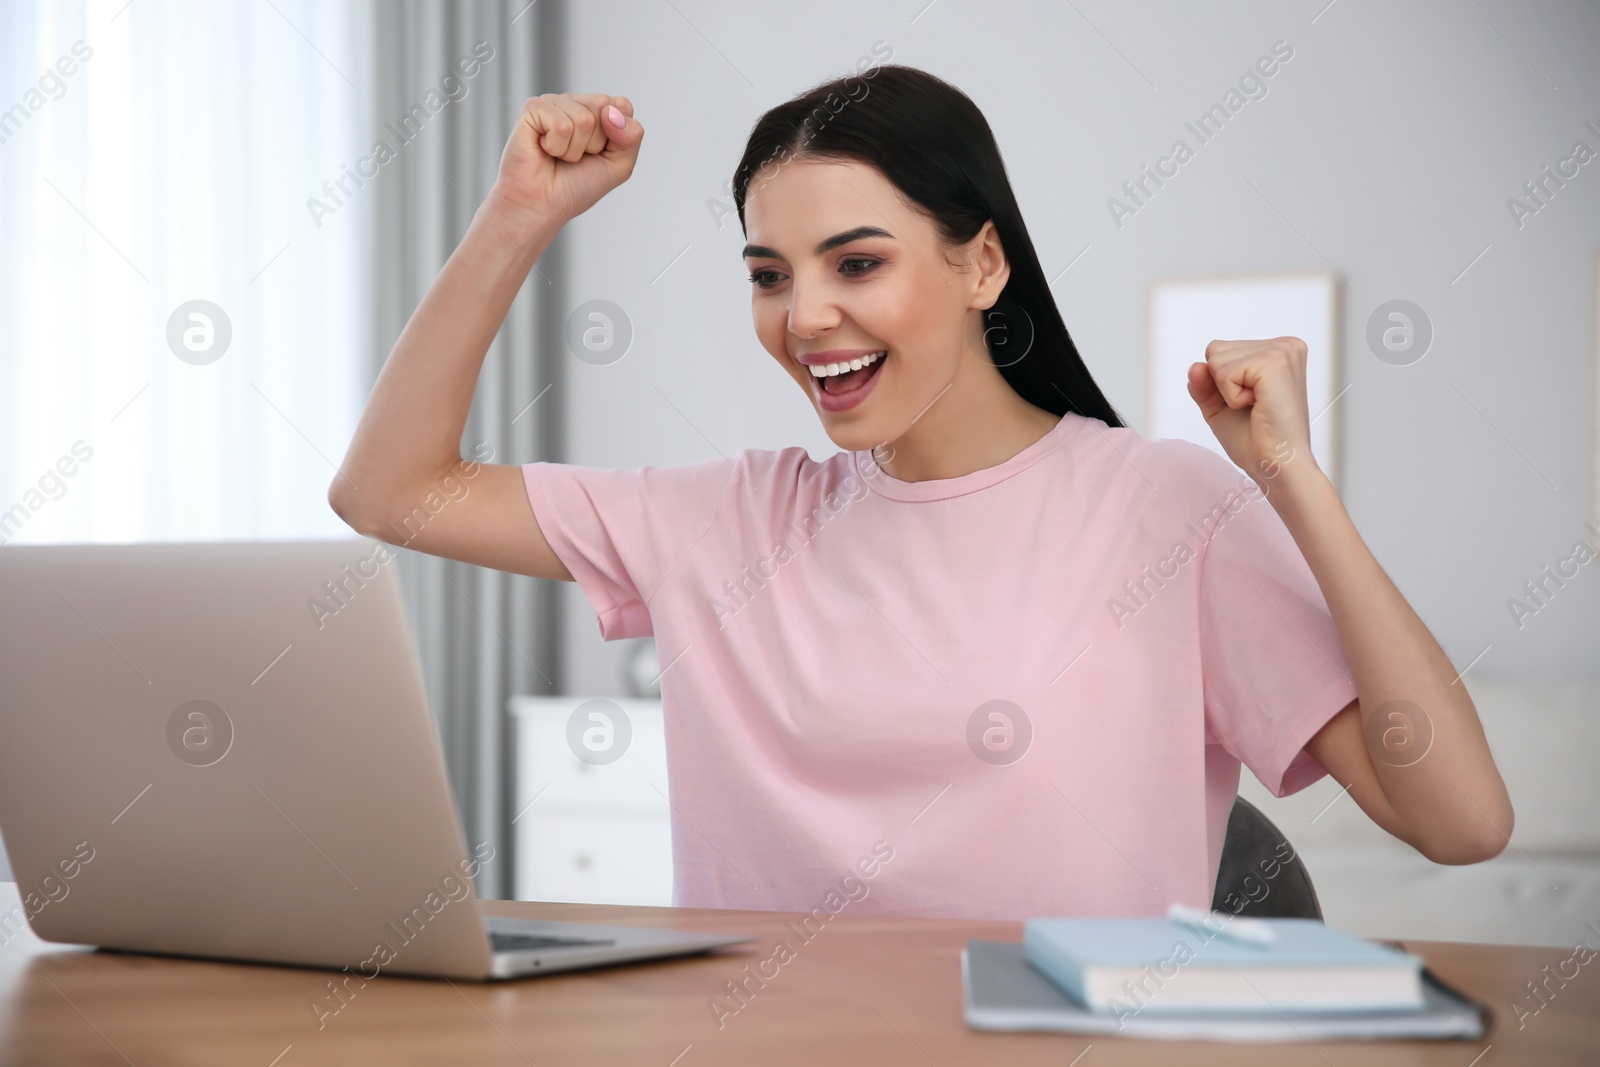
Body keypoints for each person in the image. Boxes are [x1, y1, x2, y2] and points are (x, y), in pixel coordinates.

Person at [330, 65, 1513, 922]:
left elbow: (1460, 822)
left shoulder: (1163, 510)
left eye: (857, 263)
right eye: (768, 276)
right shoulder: (725, 519)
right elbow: (389, 491)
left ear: (981, 263)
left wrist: (1290, 478)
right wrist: (519, 216)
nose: (804, 319)